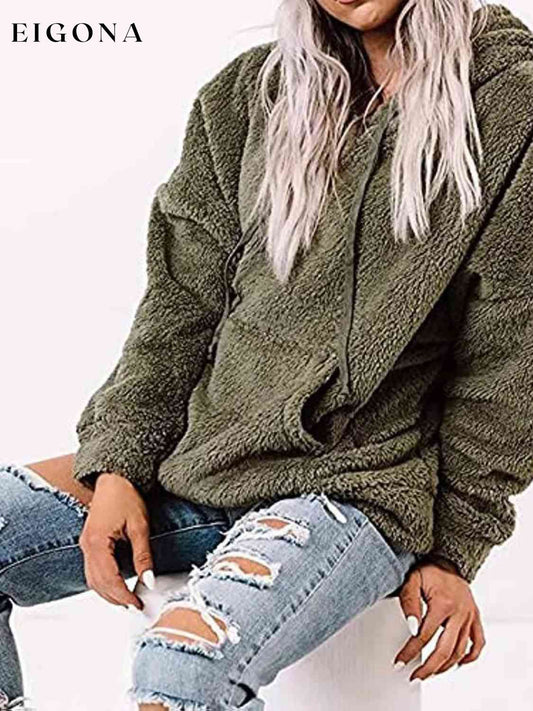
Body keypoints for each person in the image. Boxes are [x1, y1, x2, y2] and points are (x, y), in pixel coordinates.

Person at [2, 1, 533, 709]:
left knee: (183, 668)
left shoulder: (509, 103)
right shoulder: (248, 95)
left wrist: (453, 548)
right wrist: (119, 463)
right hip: (206, 457)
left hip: (358, 482)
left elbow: (509, 362)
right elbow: (178, 306)